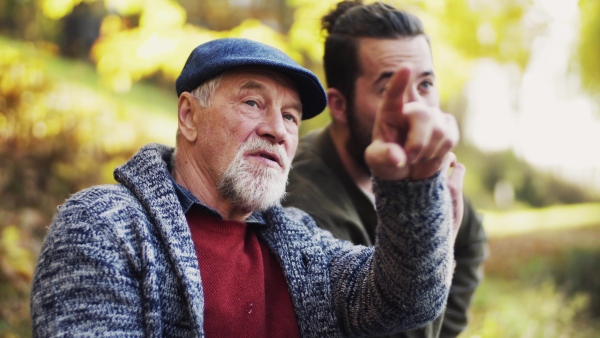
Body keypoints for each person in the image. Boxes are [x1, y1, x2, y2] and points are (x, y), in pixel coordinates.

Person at [31, 37, 460, 337]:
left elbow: (404, 300)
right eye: (253, 103)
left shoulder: (299, 241)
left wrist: (414, 193)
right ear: (188, 116)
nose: (277, 130)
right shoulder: (104, 224)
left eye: (291, 116)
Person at [284, 2, 488, 338]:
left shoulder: (426, 173)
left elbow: (471, 235)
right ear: (338, 104)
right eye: (388, 90)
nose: (414, 110)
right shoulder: (307, 206)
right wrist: (436, 240)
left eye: (425, 85)